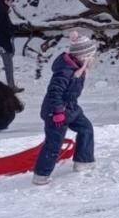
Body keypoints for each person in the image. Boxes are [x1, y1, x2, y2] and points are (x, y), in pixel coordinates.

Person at [32, 30, 98, 185]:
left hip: (71, 108)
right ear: (82, 56)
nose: (92, 59)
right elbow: (54, 92)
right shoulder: (65, 71)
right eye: (90, 56)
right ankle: (40, 175)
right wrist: (58, 111)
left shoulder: (78, 66)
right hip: (55, 111)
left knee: (86, 128)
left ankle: (83, 161)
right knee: (54, 143)